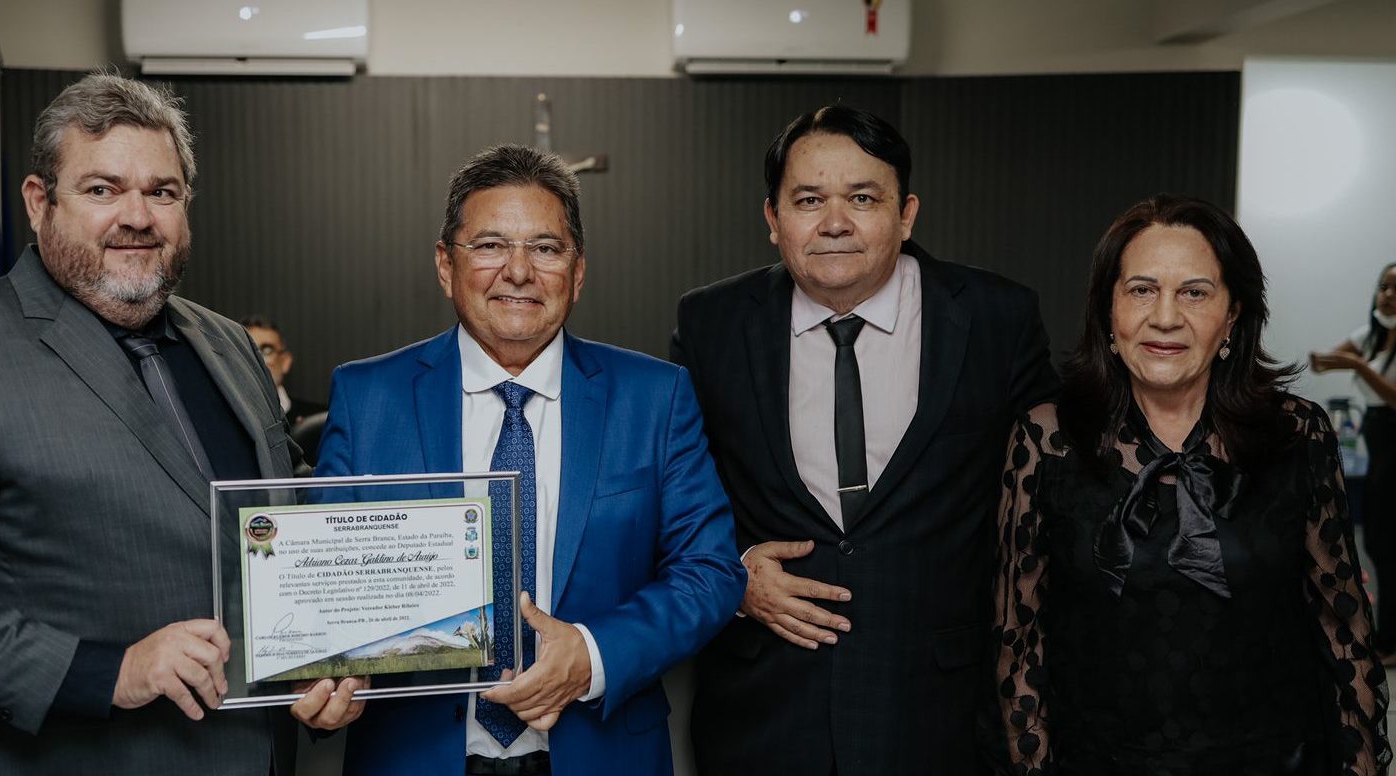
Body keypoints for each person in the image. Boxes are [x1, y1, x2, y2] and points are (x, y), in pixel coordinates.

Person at [0, 73, 319, 775]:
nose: (138, 216)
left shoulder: (228, 343)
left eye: (162, 192)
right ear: (40, 203)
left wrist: (339, 655)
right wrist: (108, 672)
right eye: (101, 189)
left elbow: (285, 515)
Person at [295, 144, 746, 775]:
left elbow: (711, 570)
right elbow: (323, 587)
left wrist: (592, 654)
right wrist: (323, 677)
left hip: (602, 753)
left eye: (546, 248)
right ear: (446, 265)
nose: (518, 271)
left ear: (577, 272)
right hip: (415, 756)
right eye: (490, 245)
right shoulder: (368, 397)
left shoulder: (655, 397)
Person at [673, 104, 1058, 775]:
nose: (834, 223)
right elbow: (672, 494)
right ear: (772, 219)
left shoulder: (997, 318)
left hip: (934, 710)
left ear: (906, 214)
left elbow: (1049, 500)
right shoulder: (712, 322)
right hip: (763, 712)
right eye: (808, 200)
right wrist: (733, 573)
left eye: (862, 198)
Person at [992, 195, 1391, 774]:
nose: (1165, 317)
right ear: (1108, 311)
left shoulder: (1296, 434)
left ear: (1232, 317)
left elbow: (1343, 629)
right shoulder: (1046, 440)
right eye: (1142, 289)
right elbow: (1019, 640)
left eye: (1195, 293)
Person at [1312, 261, 1396, 664]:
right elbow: (1321, 361)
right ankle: (1386, 636)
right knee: (1378, 542)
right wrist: (1328, 358)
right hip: (1379, 438)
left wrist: (1358, 364)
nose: (1388, 295)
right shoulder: (1371, 336)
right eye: (1384, 286)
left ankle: (1390, 641)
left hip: (1394, 436)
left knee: (1388, 543)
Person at [243, 314, 327, 463]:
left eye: (267, 350)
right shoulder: (223, 419)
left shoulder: (320, 422)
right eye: (247, 350)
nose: (257, 359)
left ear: (285, 361)